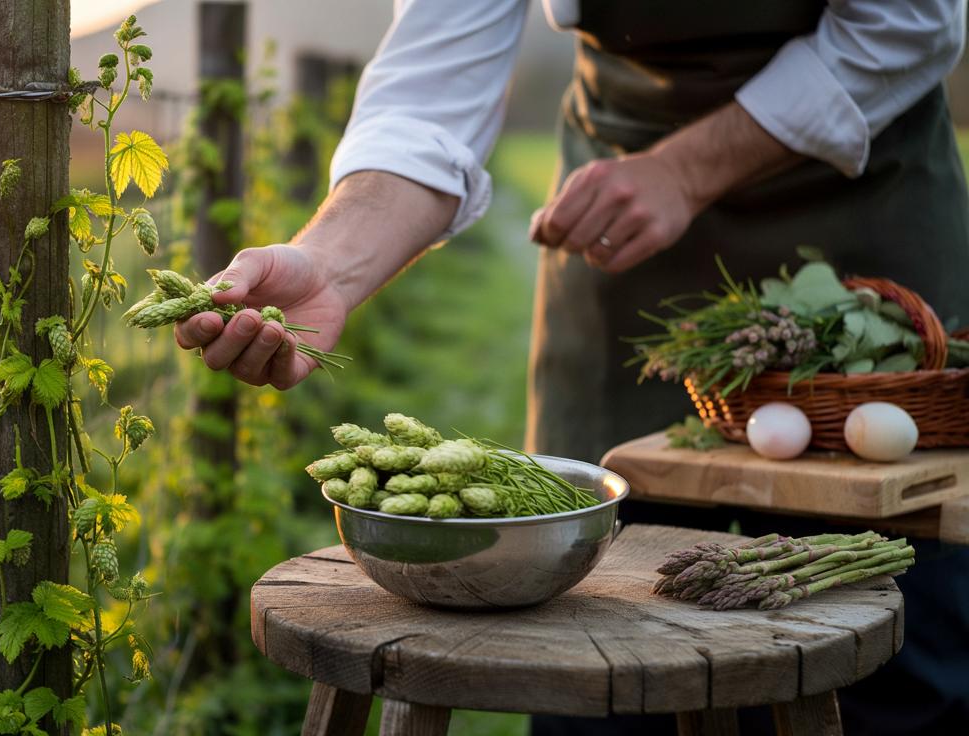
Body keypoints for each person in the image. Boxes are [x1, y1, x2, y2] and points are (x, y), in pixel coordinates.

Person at [173, 1, 969, 734]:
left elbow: (910, 21)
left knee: (891, 661)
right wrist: (332, 267)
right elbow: (432, 87)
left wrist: (683, 173)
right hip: (618, 225)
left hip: (863, 211)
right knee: (594, 653)